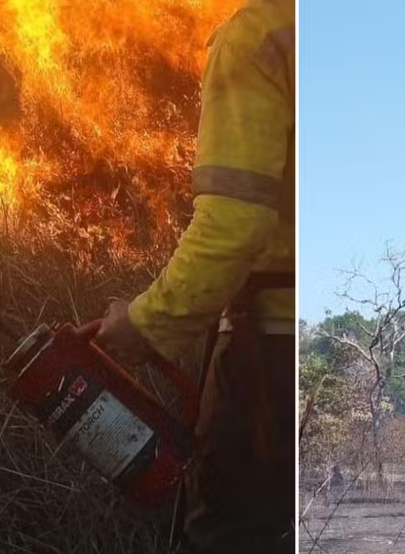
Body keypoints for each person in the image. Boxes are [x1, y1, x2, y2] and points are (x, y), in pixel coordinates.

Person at [95, 1, 295, 552]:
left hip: (267, 356)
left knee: (228, 537)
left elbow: (236, 223)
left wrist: (147, 323)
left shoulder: (255, 37)